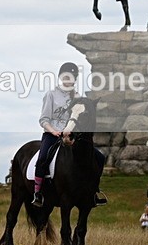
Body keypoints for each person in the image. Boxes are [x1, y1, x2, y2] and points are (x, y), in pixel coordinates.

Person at [32, 62, 107, 208]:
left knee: (99, 157)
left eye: (71, 77)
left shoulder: (78, 97)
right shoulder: (51, 94)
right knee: (43, 158)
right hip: (52, 134)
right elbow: (43, 119)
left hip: (71, 136)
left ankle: (93, 191)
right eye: (65, 76)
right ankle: (38, 193)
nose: (68, 80)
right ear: (60, 77)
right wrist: (53, 130)